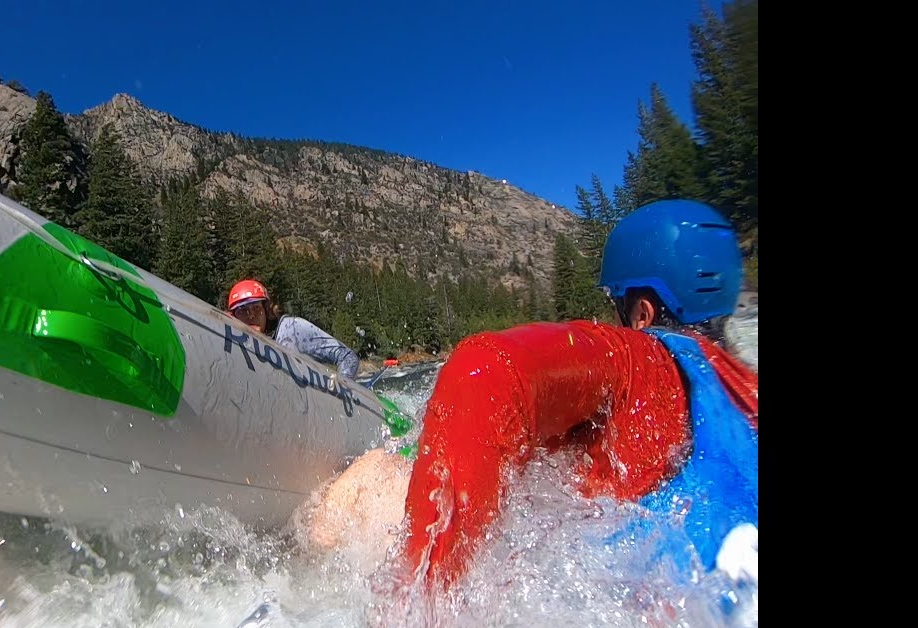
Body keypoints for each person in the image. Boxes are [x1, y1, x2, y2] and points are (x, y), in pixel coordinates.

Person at [312, 199, 757, 592]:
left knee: (370, 474)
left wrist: (423, 627)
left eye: (617, 305)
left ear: (642, 313)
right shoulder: (747, 396)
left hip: (620, 607)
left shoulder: (641, 356)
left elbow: (483, 369)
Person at [227, 279, 361, 378]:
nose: (251, 316)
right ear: (233, 316)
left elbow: (347, 357)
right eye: (243, 311)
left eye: (256, 308)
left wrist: (340, 394)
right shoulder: (236, 346)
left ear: (266, 310)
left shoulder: (292, 329)